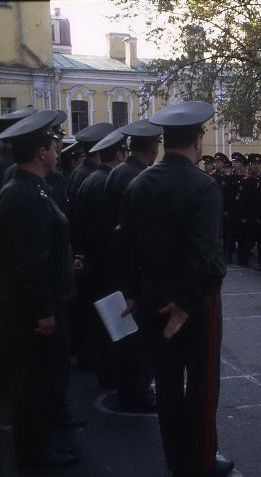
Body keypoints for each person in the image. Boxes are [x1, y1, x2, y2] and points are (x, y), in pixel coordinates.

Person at [114, 101, 233, 477]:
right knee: (201, 382)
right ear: (198, 140)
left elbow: (125, 244)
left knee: (166, 381)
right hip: (194, 302)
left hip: (152, 295)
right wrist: (183, 305)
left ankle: (175, 461)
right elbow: (204, 253)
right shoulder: (203, 186)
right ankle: (199, 460)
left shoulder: (138, 183)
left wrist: (132, 293)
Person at [0, 110, 79, 468]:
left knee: (40, 376)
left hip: (39, 301)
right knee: (34, 379)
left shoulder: (31, 188)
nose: (57, 151)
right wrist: (43, 310)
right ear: (40, 153)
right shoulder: (26, 195)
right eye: (52, 145)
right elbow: (29, 262)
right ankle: (34, 450)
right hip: (35, 309)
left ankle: (37, 443)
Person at [104, 119, 162, 412]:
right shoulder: (139, 178)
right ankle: (136, 393)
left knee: (126, 334)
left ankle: (129, 387)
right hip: (134, 271)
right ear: (153, 147)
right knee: (137, 337)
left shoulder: (119, 173)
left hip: (119, 265)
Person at [73, 129, 128, 389]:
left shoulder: (90, 178)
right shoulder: (107, 182)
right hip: (107, 263)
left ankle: (104, 367)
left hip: (93, 260)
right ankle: (112, 373)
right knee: (112, 321)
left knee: (98, 319)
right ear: (118, 154)